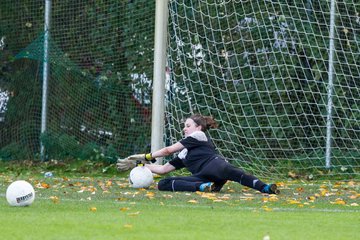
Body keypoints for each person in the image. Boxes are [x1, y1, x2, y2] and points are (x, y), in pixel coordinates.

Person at [117, 114, 279, 194]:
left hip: (215, 166)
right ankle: (204, 187)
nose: (184, 128)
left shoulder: (198, 136)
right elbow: (163, 169)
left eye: (188, 125)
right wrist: (139, 164)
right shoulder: (184, 154)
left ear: (198, 127)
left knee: (235, 173)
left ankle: (265, 188)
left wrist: (145, 156)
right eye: (184, 126)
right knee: (163, 183)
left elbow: (167, 151)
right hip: (206, 176)